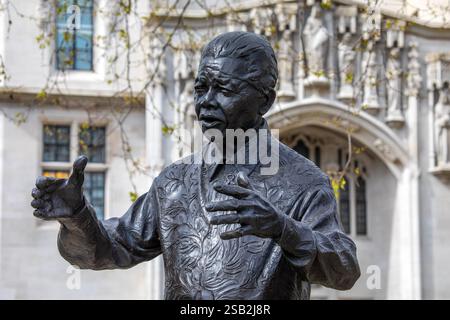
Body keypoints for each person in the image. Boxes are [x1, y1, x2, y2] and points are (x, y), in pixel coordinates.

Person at [31, 31, 360, 300]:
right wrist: (76, 217)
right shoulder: (175, 181)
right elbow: (109, 249)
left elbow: (344, 269)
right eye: (201, 88)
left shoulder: (303, 182)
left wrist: (282, 229)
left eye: (224, 89)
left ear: (265, 100)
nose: (206, 102)